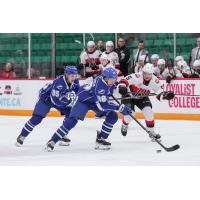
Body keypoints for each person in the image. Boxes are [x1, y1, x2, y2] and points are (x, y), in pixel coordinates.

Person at [45, 67, 131, 151]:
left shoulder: (108, 82)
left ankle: (101, 140)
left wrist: (121, 89)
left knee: (113, 116)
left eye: (114, 78)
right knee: (72, 121)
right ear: (105, 78)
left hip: (95, 101)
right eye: (111, 78)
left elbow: (109, 93)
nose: (113, 80)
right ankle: (52, 140)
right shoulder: (100, 86)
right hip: (83, 100)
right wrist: (119, 107)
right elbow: (102, 106)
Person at [16, 66, 80, 147]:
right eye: (72, 76)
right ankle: (22, 136)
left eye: (75, 75)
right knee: (37, 118)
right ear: (66, 75)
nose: (74, 77)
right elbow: (55, 101)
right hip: (46, 99)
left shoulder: (75, 80)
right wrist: (67, 101)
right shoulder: (59, 83)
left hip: (60, 99)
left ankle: (63, 135)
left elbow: (77, 90)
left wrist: (73, 99)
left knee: (71, 114)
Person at [117, 63, 174, 139]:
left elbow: (159, 94)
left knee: (149, 112)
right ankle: (124, 125)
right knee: (130, 114)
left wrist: (166, 96)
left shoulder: (155, 81)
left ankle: (151, 132)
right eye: (145, 73)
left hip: (142, 97)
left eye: (149, 74)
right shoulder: (136, 76)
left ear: (152, 74)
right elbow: (123, 81)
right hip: (128, 96)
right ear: (143, 72)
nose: (147, 76)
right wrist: (122, 87)